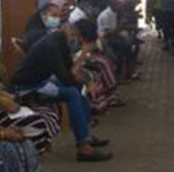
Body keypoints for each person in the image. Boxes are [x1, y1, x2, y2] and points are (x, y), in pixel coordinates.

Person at [10, 23, 112, 162]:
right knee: (72, 93)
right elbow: (65, 78)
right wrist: (83, 83)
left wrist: (86, 83)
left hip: (40, 82)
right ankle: (83, 148)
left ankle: (85, 136)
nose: (75, 40)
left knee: (77, 90)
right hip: (26, 88)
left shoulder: (60, 42)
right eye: (74, 37)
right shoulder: (52, 45)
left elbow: (70, 70)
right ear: (68, 34)